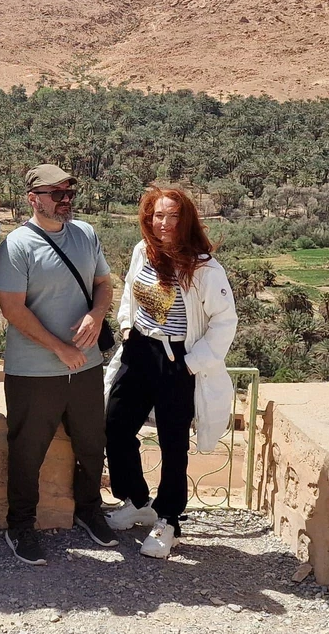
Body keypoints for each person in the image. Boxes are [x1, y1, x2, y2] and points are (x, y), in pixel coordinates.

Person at [103, 186, 241, 558]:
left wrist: (190, 364)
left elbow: (224, 321)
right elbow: (130, 294)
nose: (163, 223)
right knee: (115, 424)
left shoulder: (204, 268)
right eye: (156, 216)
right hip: (139, 349)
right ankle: (136, 500)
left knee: (173, 441)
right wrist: (127, 324)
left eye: (172, 216)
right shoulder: (141, 252)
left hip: (177, 357)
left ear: (186, 220)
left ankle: (169, 520)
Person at [0, 163, 119, 565]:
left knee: (91, 443)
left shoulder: (85, 234)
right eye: (55, 194)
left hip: (85, 366)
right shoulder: (17, 246)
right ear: (33, 198)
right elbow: (12, 309)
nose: (65, 201)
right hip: (33, 371)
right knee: (28, 452)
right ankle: (21, 526)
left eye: (68, 193)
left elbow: (103, 284)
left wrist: (96, 317)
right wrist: (59, 348)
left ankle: (88, 510)